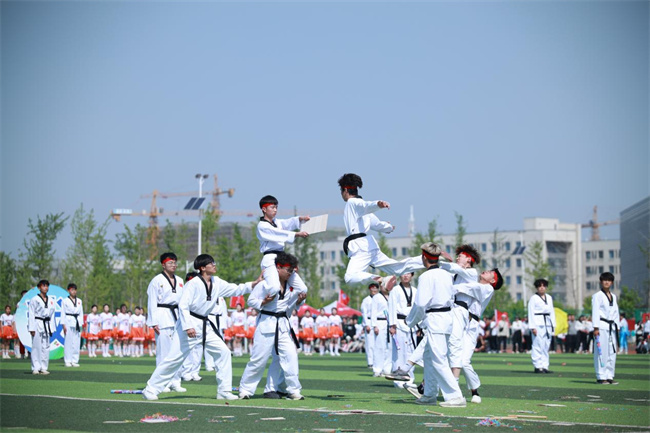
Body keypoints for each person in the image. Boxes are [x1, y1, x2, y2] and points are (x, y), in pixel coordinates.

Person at [142, 253, 261, 401]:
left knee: (223, 352)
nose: (214, 265)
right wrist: (188, 326)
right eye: (212, 263)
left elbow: (235, 289)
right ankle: (150, 389)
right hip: (189, 324)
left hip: (205, 325)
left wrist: (253, 284)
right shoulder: (192, 284)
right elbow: (183, 305)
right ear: (203, 268)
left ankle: (224, 390)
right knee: (174, 359)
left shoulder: (217, 282)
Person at [239, 252, 308, 400]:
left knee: (290, 356)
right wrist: (263, 302)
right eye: (288, 270)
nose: (290, 273)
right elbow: (251, 300)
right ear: (278, 268)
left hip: (283, 325)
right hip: (266, 323)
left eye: (292, 271)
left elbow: (289, 307)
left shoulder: (291, 286)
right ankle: (245, 390)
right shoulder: (266, 284)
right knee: (259, 359)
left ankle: (292, 390)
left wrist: (298, 301)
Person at [406, 243, 466, 407]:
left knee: (439, 359)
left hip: (435, 319)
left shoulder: (426, 277)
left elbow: (420, 304)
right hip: (446, 318)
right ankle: (429, 394)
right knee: (429, 357)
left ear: (424, 257)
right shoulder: (446, 274)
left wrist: (410, 321)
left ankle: (456, 396)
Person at [337, 173, 423, 287]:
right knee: (397, 268)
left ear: (345, 190)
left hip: (360, 248)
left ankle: (380, 279)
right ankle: (428, 259)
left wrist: (378, 204)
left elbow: (366, 205)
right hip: (370, 247)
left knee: (350, 277)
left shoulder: (352, 203)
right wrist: (389, 227)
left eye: (341, 191)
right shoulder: (364, 212)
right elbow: (377, 224)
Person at [146, 252, 186, 393]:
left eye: (175, 262)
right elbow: (152, 301)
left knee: (178, 351)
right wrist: (153, 321)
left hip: (177, 317)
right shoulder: (156, 280)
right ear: (163, 265)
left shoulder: (180, 280)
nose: (174, 265)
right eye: (170, 263)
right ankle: (162, 383)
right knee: (163, 352)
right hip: (162, 317)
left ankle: (176, 381)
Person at [256, 195, 309, 297]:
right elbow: (278, 233)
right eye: (272, 207)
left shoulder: (277, 222)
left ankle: (286, 304)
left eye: (276, 207)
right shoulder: (262, 226)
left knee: (302, 289)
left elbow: (288, 223)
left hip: (282, 258)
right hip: (270, 258)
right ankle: (257, 292)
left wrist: (301, 219)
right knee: (274, 288)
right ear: (264, 209)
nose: (275, 210)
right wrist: (297, 234)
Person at [386, 272, 417, 386]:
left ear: (412, 275)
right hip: (398, 323)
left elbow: (418, 308)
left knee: (411, 352)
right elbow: (391, 308)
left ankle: (409, 378)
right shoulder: (395, 290)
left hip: (411, 324)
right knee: (399, 352)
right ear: (400, 276)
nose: (406, 276)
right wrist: (392, 325)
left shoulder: (415, 290)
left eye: (408, 274)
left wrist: (419, 325)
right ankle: (397, 379)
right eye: (403, 274)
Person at [593, 272, 620, 385]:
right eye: (605, 280)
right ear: (601, 282)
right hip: (601, 326)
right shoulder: (597, 296)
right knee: (601, 352)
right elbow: (595, 311)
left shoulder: (614, 296)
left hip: (612, 327)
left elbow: (616, 312)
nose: (607, 282)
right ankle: (601, 376)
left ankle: (609, 376)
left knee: (611, 352)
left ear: (612, 282)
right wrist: (596, 327)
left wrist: (617, 326)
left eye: (609, 280)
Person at [527, 279, 556, 374]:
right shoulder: (533, 298)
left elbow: (552, 311)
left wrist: (553, 325)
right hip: (537, 323)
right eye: (540, 286)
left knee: (546, 345)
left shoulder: (549, 298)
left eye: (544, 286)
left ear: (546, 287)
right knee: (537, 345)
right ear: (537, 288)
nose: (542, 288)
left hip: (548, 323)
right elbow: (530, 313)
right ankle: (538, 366)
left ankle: (545, 366)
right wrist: (532, 327)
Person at [28, 280, 55, 375]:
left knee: (46, 346)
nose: (45, 287)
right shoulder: (34, 299)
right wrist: (31, 328)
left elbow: (52, 315)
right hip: (37, 323)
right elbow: (31, 314)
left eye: (47, 286)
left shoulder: (51, 300)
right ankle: (36, 367)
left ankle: (44, 367)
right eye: (43, 286)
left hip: (46, 324)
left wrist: (52, 328)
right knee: (36, 346)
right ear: (39, 287)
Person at [371, 280, 392, 377]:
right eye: (383, 285)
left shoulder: (392, 296)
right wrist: (374, 325)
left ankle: (387, 369)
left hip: (390, 323)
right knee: (379, 347)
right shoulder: (377, 297)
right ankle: (377, 369)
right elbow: (373, 312)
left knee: (390, 348)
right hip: (380, 322)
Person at [61, 283, 83, 367]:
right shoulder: (65, 301)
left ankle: (74, 360)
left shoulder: (79, 301)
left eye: (75, 290)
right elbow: (62, 313)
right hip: (68, 321)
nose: (74, 291)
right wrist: (63, 325)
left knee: (76, 342)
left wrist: (81, 323)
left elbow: (81, 313)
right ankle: (68, 360)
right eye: (72, 290)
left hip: (77, 322)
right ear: (68, 290)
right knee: (68, 342)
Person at [360, 282, 379, 368]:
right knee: (370, 344)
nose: (374, 290)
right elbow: (364, 313)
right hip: (369, 321)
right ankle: (370, 362)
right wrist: (366, 324)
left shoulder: (380, 298)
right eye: (372, 288)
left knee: (378, 344)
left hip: (378, 321)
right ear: (369, 289)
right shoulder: (366, 300)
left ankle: (377, 361)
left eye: (375, 288)